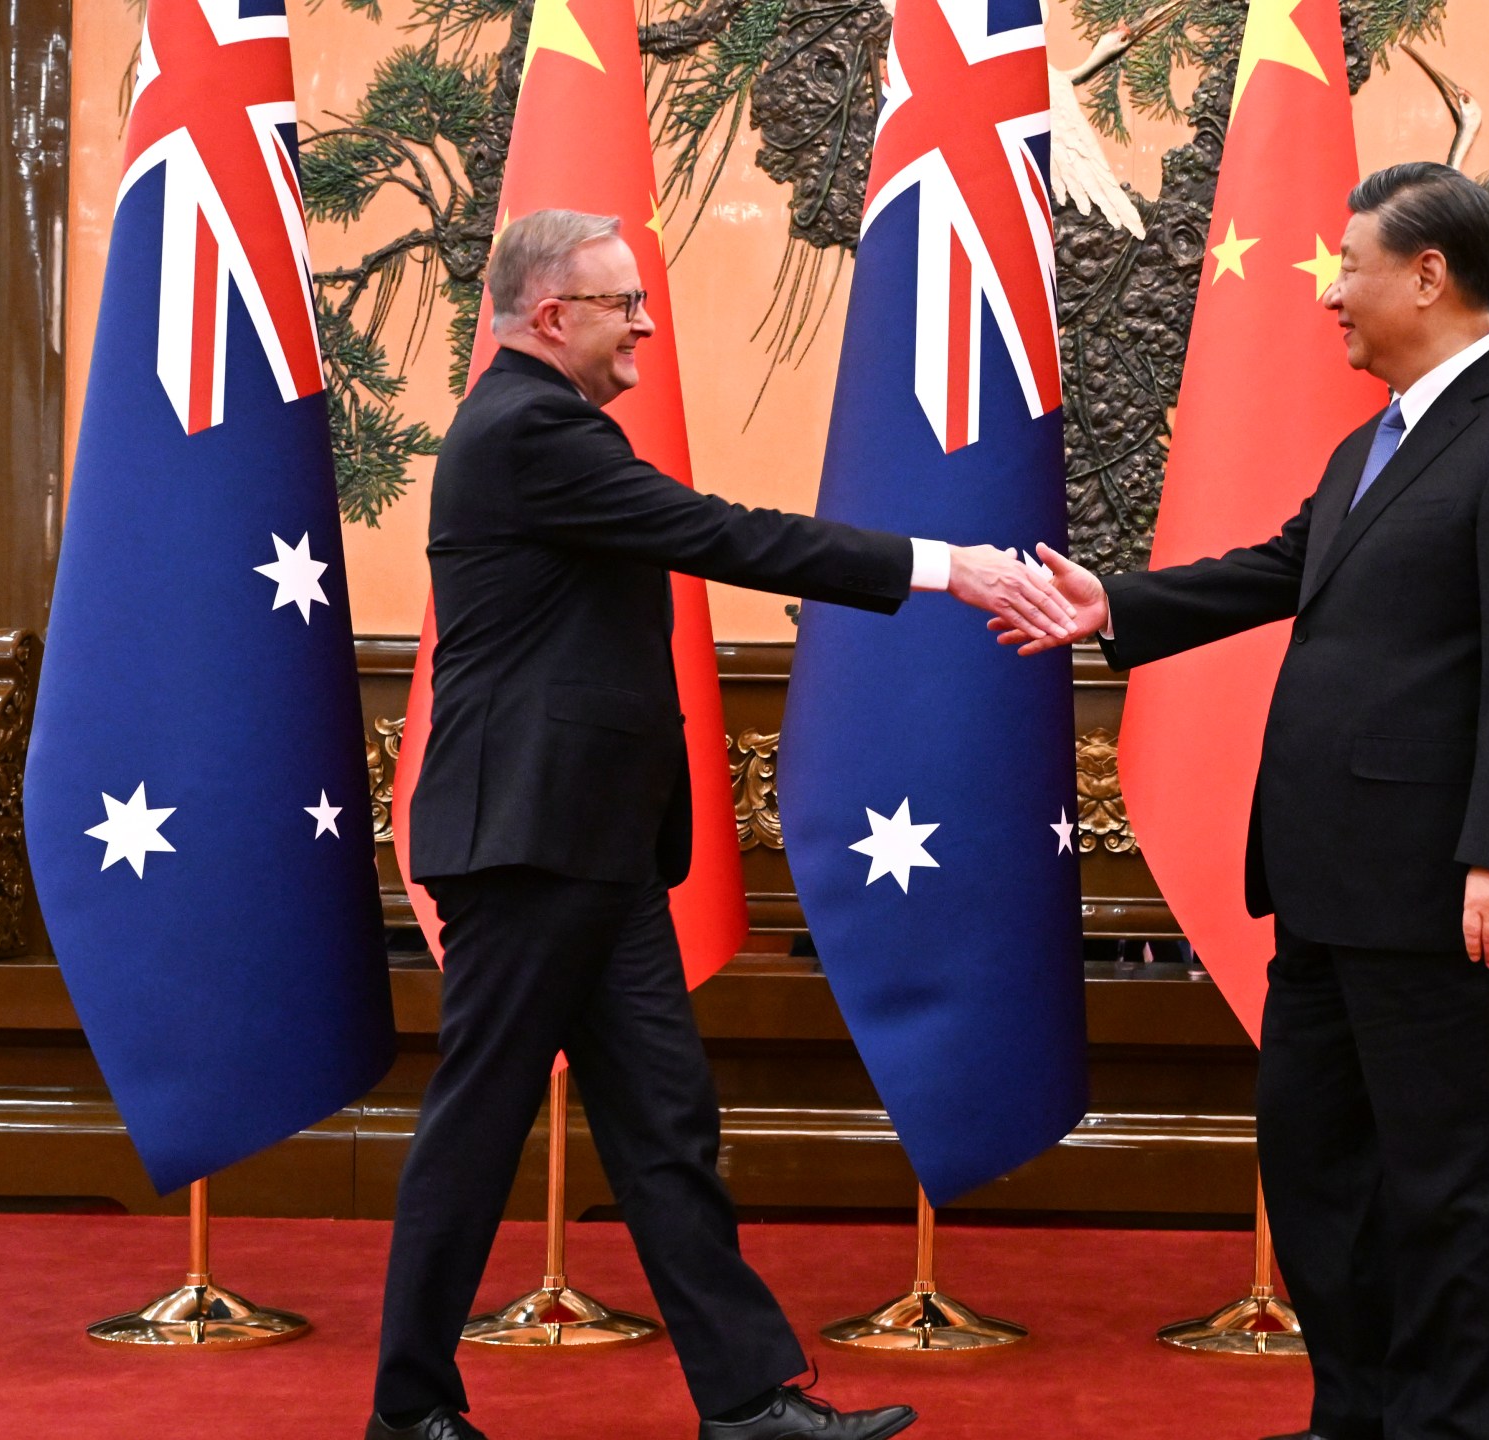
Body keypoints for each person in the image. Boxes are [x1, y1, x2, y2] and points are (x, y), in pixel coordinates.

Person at [369, 207, 1076, 1440]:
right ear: (552, 318)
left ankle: (748, 1402)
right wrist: (941, 565)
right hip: (528, 845)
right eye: (622, 301)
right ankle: (408, 1412)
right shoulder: (531, 431)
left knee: (667, 1129)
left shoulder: (554, 429)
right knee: (477, 1131)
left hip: (593, 849)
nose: (646, 320)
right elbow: (724, 535)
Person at [1002, 163, 1489, 1440]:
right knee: (1319, 1170)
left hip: (1447, 891)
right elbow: (1284, 567)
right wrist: (1112, 604)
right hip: (1328, 882)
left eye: (1351, 265)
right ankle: (1355, 1416)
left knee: (1445, 1185)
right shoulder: (1372, 443)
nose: (1332, 293)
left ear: (1429, 276)